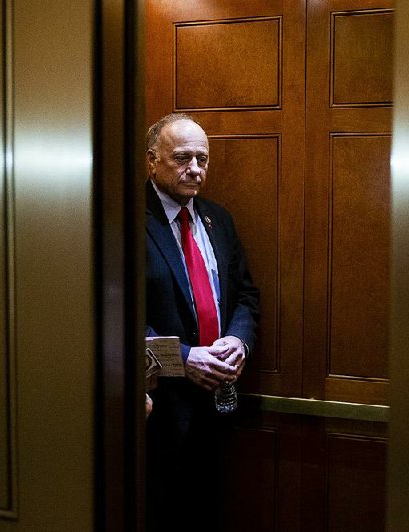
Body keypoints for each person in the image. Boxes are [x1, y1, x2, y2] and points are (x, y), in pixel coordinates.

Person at [144, 113, 259, 531]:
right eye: (182, 158)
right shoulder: (124, 220)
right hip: (158, 412)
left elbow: (245, 294)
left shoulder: (218, 219)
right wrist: (183, 358)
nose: (195, 168)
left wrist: (238, 341)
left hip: (216, 407)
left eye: (202, 159)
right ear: (152, 161)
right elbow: (114, 316)